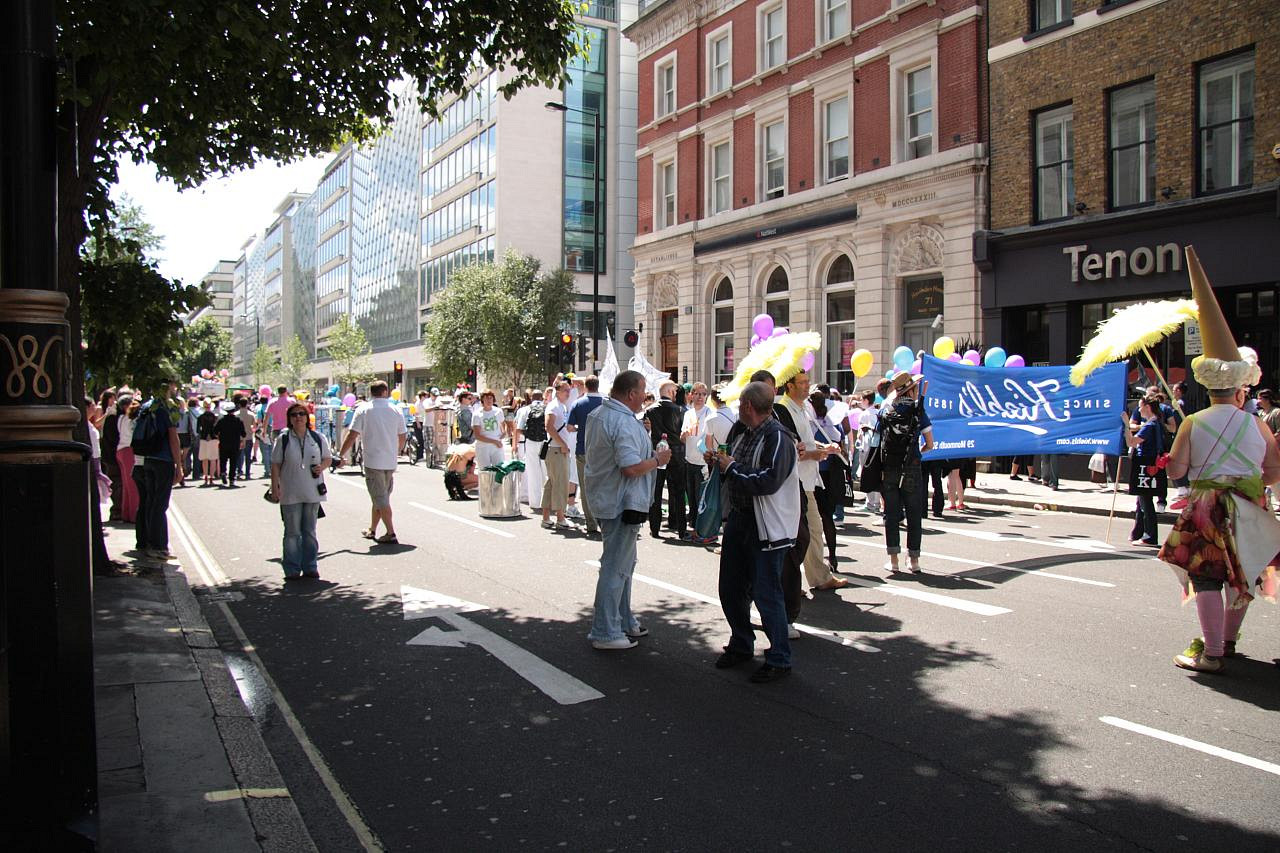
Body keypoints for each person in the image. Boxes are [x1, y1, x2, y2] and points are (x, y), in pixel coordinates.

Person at [1159, 249, 1280, 672]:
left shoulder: (1192, 422)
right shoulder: (1258, 424)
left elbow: (1177, 471)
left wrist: (1174, 462)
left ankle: (1211, 653)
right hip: (1249, 506)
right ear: (1240, 387)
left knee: (1206, 576)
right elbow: (1273, 471)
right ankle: (1227, 642)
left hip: (1207, 509)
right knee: (1243, 575)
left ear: (1207, 385)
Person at [709, 381, 801, 684]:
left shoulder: (778, 437)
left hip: (766, 526)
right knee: (731, 588)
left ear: (748, 406)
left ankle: (779, 658)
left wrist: (731, 467)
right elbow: (733, 468)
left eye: (740, 405)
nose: (738, 409)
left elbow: (768, 481)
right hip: (739, 519)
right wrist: (720, 463)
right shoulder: (743, 432)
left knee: (766, 592)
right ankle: (741, 643)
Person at [583, 370, 669, 650]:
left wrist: (643, 436)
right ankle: (605, 631)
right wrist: (658, 459)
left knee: (623, 565)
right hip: (621, 502)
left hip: (610, 498)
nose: (645, 396)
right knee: (616, 567)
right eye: (643, 390)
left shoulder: (602, 414)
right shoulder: (622, 421)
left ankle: (621, 620)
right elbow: (630, 468)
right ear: (632, 394)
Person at [775, 370, 847, 592]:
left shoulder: (802, 407)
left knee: (811, 531)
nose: (808, 385)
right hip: (795, 481)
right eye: (803, 382)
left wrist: (825, 447)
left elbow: (805, 440)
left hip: (806, 480)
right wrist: (815, 454)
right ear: (790, 386)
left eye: (808, 382)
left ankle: (814, 577)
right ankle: (799, 580)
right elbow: (792, 447)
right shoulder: (784, 409)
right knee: (804, 532)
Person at [877, 371, 934, 574]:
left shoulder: (886, 411)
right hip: (912, 467)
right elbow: (930, 444)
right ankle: (914, 560)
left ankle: (893, 560)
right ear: (911, 391)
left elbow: (878, 440)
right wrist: (916, 452)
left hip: (889, 467)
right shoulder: (918, 412)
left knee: (891, 514)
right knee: (914, 513)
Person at [338, 380, 407, 544]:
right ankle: (373, 529)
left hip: (373, 460)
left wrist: (341, 454)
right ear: (385, 392)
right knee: (381, 496)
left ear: (371, 392)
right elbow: (402, 435)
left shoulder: (364, 409)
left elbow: (352, 434)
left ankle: (390, 532)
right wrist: (398, 451)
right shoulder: (396, 410)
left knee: (380, 498)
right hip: (390, 460)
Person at [270, 402, 332, 580]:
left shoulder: (317, 437)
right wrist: (275, 487)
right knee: (292, 533)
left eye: (301, 414)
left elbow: (327, 458)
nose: (298, 417)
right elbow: (275, 465)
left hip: (312, 491)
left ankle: (310, 566)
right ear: (289, 419)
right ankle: (292, 569)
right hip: (290, 492)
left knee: (309, 532)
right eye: (294, 415)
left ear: (307, 417)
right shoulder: (283, 439)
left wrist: (322, 467)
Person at [133, 382, 184, 560]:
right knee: (160, 505)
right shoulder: (167, 408)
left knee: (150, 502)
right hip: (164, 460)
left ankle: (147, 542)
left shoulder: (147, 406)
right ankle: (158, 546)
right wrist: (179, 465)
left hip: (147, 458)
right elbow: (173, 438)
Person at [646, 380, 688, 539]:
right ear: (670, 392)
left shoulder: (650, 410)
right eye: (675, 391)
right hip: (676, 453)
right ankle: (681, 528)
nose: (676, 394)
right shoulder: (680, 410)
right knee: (678, 491)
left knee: (656, 492)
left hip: (657, 453)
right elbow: (683, 432)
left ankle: (654, 528)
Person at [1125, 396, 1166, 547]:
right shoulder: (1157, 423)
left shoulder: (1150, 425)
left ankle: (1150, 536)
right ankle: (1141, 532)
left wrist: (1125, 425)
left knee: (1145, 501)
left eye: (1140, 406)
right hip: (1152, 464)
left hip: (1145, 464)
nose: (1138, 409)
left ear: (1147, 407)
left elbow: (1132, 442)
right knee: (1143, 500)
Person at [567, 376, 605, 537]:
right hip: (603, 450)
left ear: (586, 387)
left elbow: (569, 427)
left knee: (585, 487)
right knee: (603, 486)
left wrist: (580, 428)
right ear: (598, 386)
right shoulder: (606, 402)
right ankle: (604, 520)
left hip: (583, 448)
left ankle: (591, 523)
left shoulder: (578, 403)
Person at [679, 382, 713, 542]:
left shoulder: (709, 413)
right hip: (689, 459)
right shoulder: (688, 413)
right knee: (691, 497)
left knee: (701, 497)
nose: (700, 397)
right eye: (697, 394)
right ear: (691, 395)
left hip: (702, 462)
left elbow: (710, 438)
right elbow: (682, 438)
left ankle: (702, 528)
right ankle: (694, 526)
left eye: (703, 394)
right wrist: (684, 435)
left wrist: (707, 457)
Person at [514, 389, 547, 513]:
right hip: (545, 442)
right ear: (542, 397)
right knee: (546, 472)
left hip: (530, 443)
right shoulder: (547, 408)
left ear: (531, 398)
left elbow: (519, 428)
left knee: (533, 473)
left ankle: (535, 502)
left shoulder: (525, 410)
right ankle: (548, 500)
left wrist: (528, 434)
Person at [116, 395, 141, 522]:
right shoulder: (132, 420)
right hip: (128, 450)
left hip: (120, 450)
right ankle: (134, 515)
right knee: (133, 484)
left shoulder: (121, 418)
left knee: (126, 484)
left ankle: (126, 513)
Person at [214, 400, 248, 486]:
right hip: (235, 444)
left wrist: (219, 437)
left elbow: (215, 431)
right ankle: (232, 479)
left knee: (223, 460)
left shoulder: (221, 420)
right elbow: (243, 433)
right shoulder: (238, 420)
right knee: (233, 462)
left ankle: (223, 472)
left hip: (223, 443)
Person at [472, 389, 506, 470]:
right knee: (485, 471)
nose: (489, 400)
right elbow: (477, 435)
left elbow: (503, 424)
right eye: (486, 398)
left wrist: (504, 432)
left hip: (497, 446)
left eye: (490, 398)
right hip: (483, 447)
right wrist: (494, 441)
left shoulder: (498, 411)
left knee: (499, 470)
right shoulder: (477, 414)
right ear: (482, 400)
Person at [234, 395, 257, 480]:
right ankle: (247, 473)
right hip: (248, 437)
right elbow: (254, 426)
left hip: (238, 438)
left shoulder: (236, 415)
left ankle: (239, 471)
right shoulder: (251, 415)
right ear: (247, 404)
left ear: (239, 404)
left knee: (239, 455)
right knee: (248, 456)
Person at [196, 398, 219, 485]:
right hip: (213, 438)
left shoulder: (200, 417)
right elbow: (217, 429)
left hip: (204, 438)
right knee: (213, 459)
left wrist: (204, 433)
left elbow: (197, 430)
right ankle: (211, 477)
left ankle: (205, 476)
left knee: (204, 459)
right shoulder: (215, 417)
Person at [413, 390, 429, 463]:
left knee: (423, 439)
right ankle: (419, 456)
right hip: (418, 422)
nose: (427, 397)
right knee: (420, 439)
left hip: (423, 421)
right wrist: (418, 423)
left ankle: (421, 455)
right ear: (422, 396)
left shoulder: (425, 403)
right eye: (426, 396)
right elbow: (416, 414)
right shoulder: (418, 403)